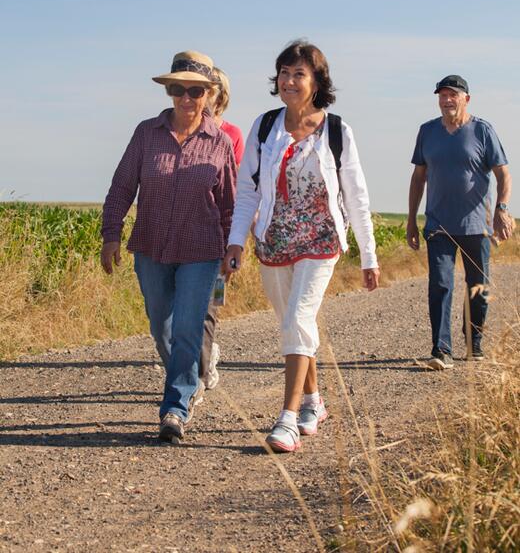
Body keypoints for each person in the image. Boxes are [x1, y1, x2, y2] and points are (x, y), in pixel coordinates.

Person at [223, 39, 379, 453]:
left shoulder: (337, 131)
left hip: (321, 238)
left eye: (299, 74)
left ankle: (287, 419)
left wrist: (369, 255)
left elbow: (356, 197)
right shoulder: (264, 126)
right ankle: (313, 400)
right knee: (293, 323)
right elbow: (248, 192)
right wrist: (236, 240)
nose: (289, 81)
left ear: (316, 81)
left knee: (298, 317)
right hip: (274, 239)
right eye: (284, 73)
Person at [101, 51, 236, 442]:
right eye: (178, 89)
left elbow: (229, 202)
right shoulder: (146, 133)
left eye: (196, 91)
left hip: (202, 250)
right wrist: (111, 234)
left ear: (209, 94)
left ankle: (175, 407)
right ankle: (187, 377)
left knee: (189, 330)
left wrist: (232, 248)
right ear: (170, 91)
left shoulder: (220, 143)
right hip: (151, 248)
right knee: (162, 326)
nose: (187, 98)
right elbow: (122, 185)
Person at [407, 74, 513, 370]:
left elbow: (503, 174)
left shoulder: (482, 131)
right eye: (442, 95)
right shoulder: (427, 132)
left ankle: (474, 341)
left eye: (453, 95)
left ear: (467, 98)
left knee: (479, 286)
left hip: (476, 226)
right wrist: (411, 221)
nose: (447, 100)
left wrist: (501, 210)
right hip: (438, 224)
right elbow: (418, 178)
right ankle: (441, 350)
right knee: (440, 284)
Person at [200, 67, 245, 390]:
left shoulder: (232, 134)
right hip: (185, 231)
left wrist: (236, 238)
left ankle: (204, 362)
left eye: (208, 90)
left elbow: (237, 187)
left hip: (220, 232)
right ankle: (195, 359)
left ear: (220, 95)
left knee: (210, 303)